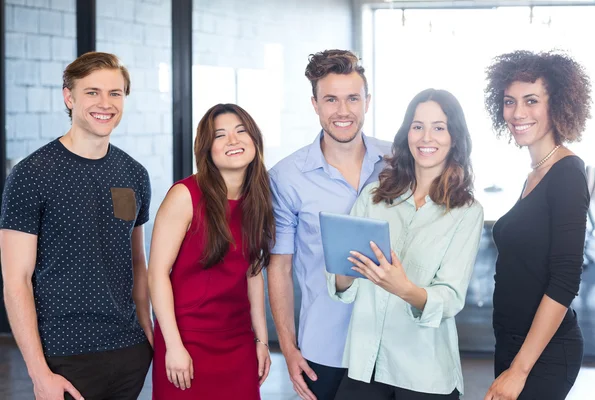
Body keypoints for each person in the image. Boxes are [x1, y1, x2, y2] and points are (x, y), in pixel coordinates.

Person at [0, 52, 153, 400]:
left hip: (128, 350)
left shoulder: (134, 174)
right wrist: (39, 374)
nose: (106, 103)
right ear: (69, 97)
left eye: (115, 93)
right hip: (63, 355)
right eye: (92, 92)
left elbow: (136, 263)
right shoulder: (31, 175)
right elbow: (16, 281)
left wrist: (147, 332)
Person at [328, 89, 483, 400]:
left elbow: (450, 297)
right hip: (365, 363)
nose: (427, 137)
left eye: (439, 127)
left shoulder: (467, 212)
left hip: (424, 373)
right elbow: (344, 286)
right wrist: (345, 272)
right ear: (406, 133)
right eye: (417, 126)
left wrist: (403, 288)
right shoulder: (374, 196)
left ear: (454, 137)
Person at [267, 49, 390, 400]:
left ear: (367, 101)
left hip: (391, 343)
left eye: (353, 98)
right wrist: (288, 349)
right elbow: (280, 266)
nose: (343, 111)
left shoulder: (398, 161)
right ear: (315, 104)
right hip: (325, 347)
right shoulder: (286, 177)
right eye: (331, 99)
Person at [483, 50, 591, 400]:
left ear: (556, 104)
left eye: (531, 100)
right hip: (513, 343)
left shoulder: (568, 174)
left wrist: (519, 369)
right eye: (510, 101)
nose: (517, 113)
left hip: (542, 355)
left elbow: (565, 279)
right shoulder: (536, 173)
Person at [149, 103, 274, 399]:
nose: (233, 140)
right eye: (220, 135)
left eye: (241, 131)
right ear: (207, 150)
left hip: (238, 341)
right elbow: (156, 275)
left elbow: (253, 273)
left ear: (255, 140)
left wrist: (262, 340)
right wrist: (174, 347)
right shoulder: (184, 196)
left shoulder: (257, 198)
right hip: (187, 341)